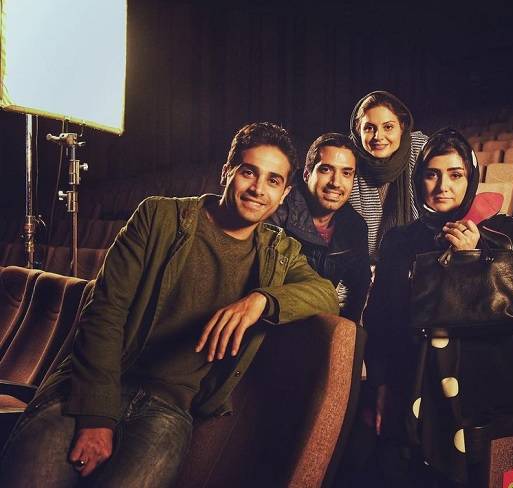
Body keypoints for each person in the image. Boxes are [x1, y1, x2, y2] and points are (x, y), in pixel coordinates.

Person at [0, 122, 339, 487]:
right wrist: (97, 416)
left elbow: (325, 294)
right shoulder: (158, 217)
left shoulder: (280, 251)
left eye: (273, 180)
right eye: (248, 172)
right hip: (96, 380)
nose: (258, 189)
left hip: (169, 407)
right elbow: (103, 312)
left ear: (285, 193)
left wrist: (261, 300)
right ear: (226, 172)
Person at [363, 128, 513, 486]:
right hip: (407, 374)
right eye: (432, 174)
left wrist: (470, 259)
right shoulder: (398, 241)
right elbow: (380, 321)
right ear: (418, 180)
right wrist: (380, 385)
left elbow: (503, 325)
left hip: (477, 383)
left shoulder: (498, 236)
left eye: (455, 175)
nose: (443, 186)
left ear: (471, 179)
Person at [268, 133, 370, 323]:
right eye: (326, 170)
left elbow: (357, 288)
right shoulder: (277, 212)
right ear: (307, 174)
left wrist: (340, 330)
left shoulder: (355, 226)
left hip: (321, 320)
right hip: (272, 318)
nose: (336, 183)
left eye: (346, 173)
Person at [348, 90, 428, 258]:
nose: (378, 136)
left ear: (402, 126)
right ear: (358, 130)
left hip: (416, 262)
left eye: (388, 127)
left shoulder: (421, 150)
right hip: (361, 264)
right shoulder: (347, 159)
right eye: (369, 128)